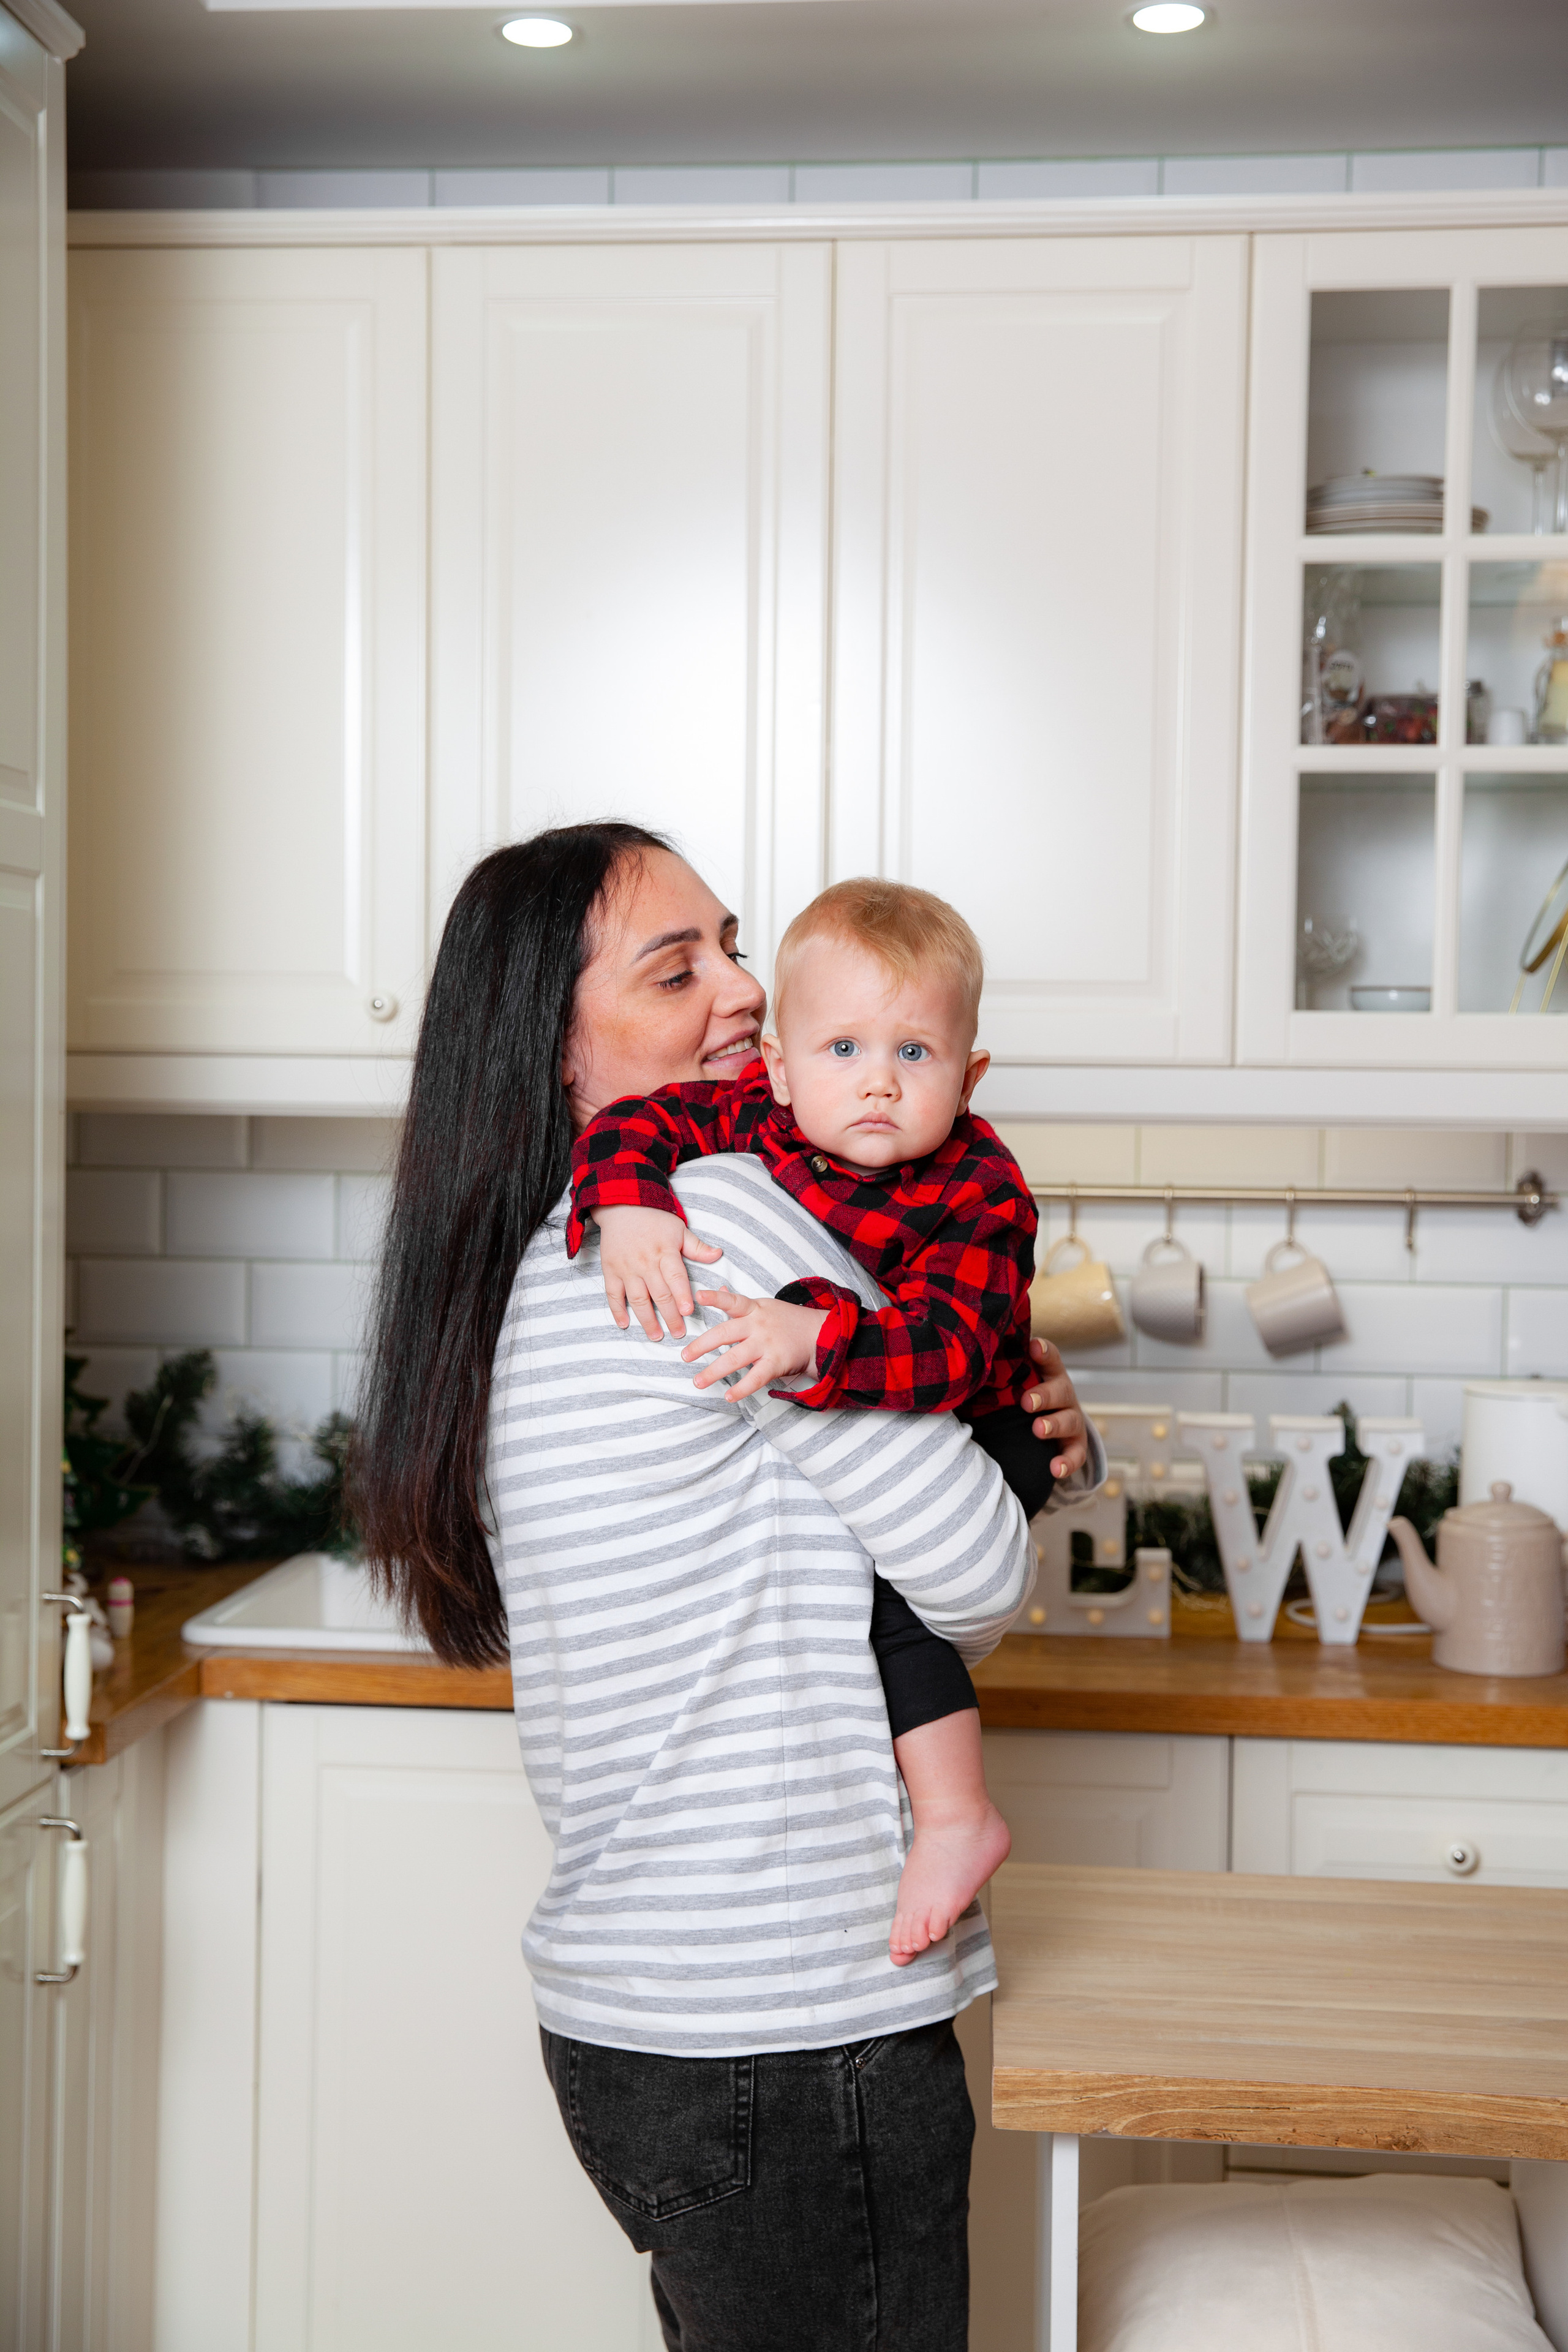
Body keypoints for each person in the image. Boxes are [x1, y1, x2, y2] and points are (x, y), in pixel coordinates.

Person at [355, 821, 1103, 2352]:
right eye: (675, 966)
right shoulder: (728, 1226)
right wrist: (1013, 1452)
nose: (747, 992)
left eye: (734, 943)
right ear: (557, 1051)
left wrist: (1007, 1415)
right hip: (789, 2019)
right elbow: (967, 1573)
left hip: (645, 2019)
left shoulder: (557, 1252)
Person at [567, 876, 1062, 1966]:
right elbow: (641, 1128)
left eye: (915, 1056)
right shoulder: (753, 1129)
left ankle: (954, 1814)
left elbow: (956, 1352)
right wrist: (633, 1202)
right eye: (843, 1051)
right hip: (903, 1409)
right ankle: (955, 1814)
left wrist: (810, 1338)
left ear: (971, 1075)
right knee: (882, 1598)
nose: (878, 1085)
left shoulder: (983, 1184)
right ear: (783, 1067)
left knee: (896, 1611)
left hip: (974, 1418)